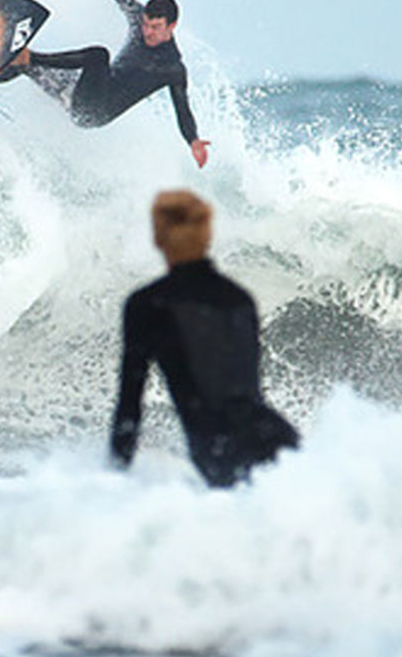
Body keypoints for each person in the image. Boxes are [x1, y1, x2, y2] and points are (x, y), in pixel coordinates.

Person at [109, 190, 298, 487]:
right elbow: (247, 390)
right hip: (278, 439)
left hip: (219, 451)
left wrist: (113, 478)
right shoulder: (240, 298)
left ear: (158, 238)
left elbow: (130, 407)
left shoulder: (147, 304)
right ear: (207, 234)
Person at [7, 0, 211, 168]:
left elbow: (183, 110)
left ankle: (30, 56)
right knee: (31, 68)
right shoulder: (138, 19)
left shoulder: (172, 68)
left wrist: (193, 141)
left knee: (99, 56)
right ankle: (6, 67)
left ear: (172, 26)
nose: (147, 32)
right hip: (84, 89)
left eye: (155, 27)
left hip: (95, 112)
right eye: (146, 24)